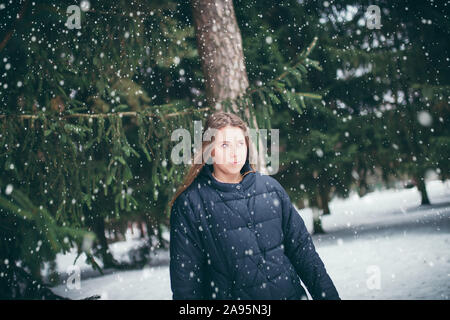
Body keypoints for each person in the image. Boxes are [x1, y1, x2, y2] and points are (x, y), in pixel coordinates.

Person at [169, 111, 340, 300]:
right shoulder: (191, 204)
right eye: (225, 144)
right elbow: (186, 282)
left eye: (240, 143)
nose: (235, 152)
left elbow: (304, 254)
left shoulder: (271, 189)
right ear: (211, 150)